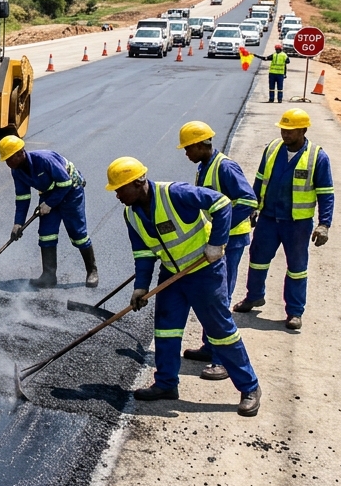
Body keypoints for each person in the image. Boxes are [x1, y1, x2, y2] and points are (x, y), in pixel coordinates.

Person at [105, 156, 262, 416]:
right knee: (166, 330)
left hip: (204, 272)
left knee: (221, 331)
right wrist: (141, 287)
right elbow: (143, 253)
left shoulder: (175, 194)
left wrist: (217, 241)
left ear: (139, 181)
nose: (118, 195)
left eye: (120, 189)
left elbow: (222, 203)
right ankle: (166, 384)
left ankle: (250, 387)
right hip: (171, 275)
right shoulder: (131, 214)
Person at [234, 108, 334, 331]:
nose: (285, 134)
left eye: (291, 131)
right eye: (283, 130)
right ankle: (254, 296)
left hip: (297, 224)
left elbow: (326, 194)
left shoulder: (318, 157)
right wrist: (252, 206)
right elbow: (259, 180)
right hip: (269, 218)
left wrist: (324, 224)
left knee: (297, 267)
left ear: (303, 130)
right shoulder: (271, 149)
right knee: (257, 259)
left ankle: (295, 311)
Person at [177, 121, 259, 380]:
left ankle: (222, 360)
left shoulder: (225, 167)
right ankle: (210, 346)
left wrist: (219, 231)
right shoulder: (204, 167)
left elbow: (248, 200)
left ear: (202, 145)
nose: (186, 154)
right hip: (215, 241)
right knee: (209, 296)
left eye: (189, 148)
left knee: (219, 298)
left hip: (230, 242)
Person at [0, 136, 98, 288]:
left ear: (20, 153)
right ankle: (49, 276)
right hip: (48, 194)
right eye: (5, 159)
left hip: (71, 191)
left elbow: (65, 183)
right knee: (46, 234)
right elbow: (22, 197)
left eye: (9, 159)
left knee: (77, 233)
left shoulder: (44, 159)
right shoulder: (16, 171)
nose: (7, 163)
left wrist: (50, 204)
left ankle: (92, 271)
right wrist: (18, 223)